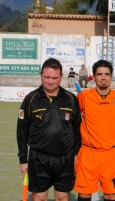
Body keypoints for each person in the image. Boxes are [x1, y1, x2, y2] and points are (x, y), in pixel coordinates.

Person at [17, 57, 81, 201]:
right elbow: (21, 131)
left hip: (65, 158)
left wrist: (76, 155)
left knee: (63, 198)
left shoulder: (71, 99)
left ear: (61, 77)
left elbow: (77, 130)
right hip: (38, 158)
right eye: (46, 77)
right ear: (41, 75)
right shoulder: (30, 99)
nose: (50, 81)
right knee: (39, 198)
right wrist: (23, 159)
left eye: (54, 78)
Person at [74, 59, 115, 201]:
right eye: (99, 74)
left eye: (107, 74)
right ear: (94, 76)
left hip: (112, 155)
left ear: (111, 76)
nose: (103, 78)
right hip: (88, 154)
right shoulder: (84, 97)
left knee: (110, 195)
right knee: (84, 194)